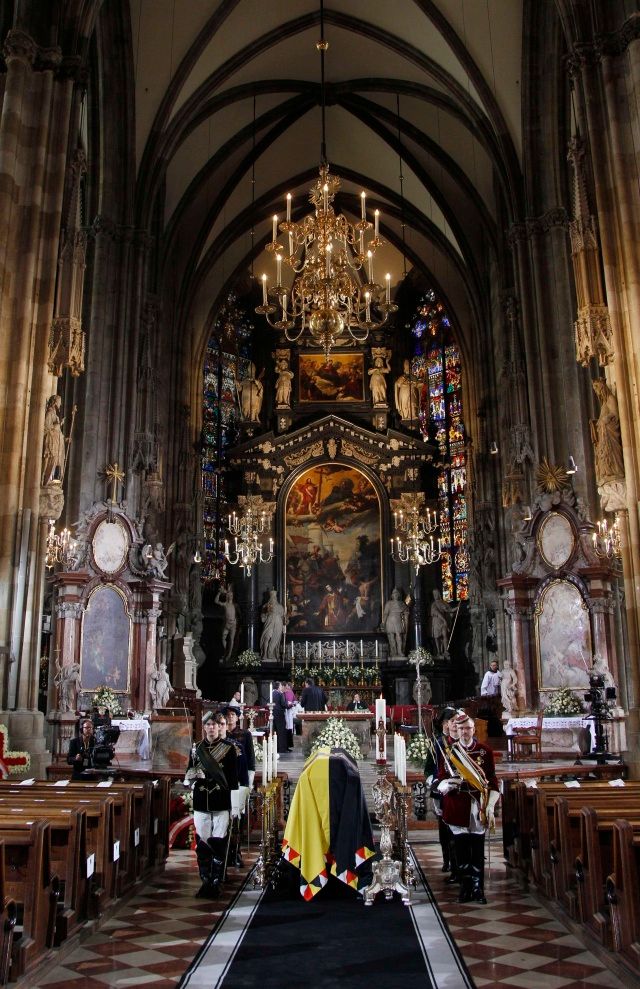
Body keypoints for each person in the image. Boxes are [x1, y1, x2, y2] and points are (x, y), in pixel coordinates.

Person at [435, 712, 500, 903]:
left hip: (477, 806)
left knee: (477, 849)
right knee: (461, 849)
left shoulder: (484, 751)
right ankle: (465, 887)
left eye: (468, 728)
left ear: (474, 729)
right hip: (457, 805)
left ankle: (478, 888)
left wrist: (490, 804)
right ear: (457, 729)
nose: (465, 731)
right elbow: (440, 778)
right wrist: (447, 784)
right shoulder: (450, 753)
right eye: (462, 728)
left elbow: (492, 779)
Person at [184, 714, 239, 898]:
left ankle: (217, 880)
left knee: (219, 840)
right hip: (201, 799)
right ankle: (205, 880)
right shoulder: (196, 749)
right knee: (203, 841)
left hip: (221, 799)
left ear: (219, 727)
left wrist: (235, 805)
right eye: (208, 724)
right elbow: (188, 775)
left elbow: (232, 779)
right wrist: (192, 776)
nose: (211, 728)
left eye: (214, 724)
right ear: (204, 727)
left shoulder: (228, 749)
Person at [425, 706, 457, 873]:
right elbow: (429, 768)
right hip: (441, 787)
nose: (450, 725)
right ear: (443, 723)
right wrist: (433, 780)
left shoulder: (459, 741)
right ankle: (447, 859)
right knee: (444, 826)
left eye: (453, 721)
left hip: (457, 788)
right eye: (448, 721)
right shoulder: (435, 742)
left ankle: (456, 861)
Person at [41, 394, 67, 484]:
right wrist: (59, 424)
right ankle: (46, 481)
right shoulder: (50, 412)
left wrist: (64, 438)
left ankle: (52, 481)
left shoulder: (54, 414)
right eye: (59, 402)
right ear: (55, 402)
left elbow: (57, 430)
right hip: (52, 441)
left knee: (57, 461)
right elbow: (47, 427)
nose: (60, 404)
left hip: (57, 441)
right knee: (51, 459)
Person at [382, 588, 409, 658]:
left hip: (398, 620)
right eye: (394, 594)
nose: (395, 595)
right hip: (390, 620)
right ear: (392, 595)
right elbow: (385, 614)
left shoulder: (402, 603)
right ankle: (393, 652)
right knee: (391, 637)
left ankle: (400, 651)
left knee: (399, 636)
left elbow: (406, 612)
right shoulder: (389, 603)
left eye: (397, 594)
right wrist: (383, 623)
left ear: (399, 595)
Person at [260, 589, 285, 661]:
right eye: (272, 596)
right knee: (267, 637)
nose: (273, 598)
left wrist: (284, 622)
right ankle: (265, 654)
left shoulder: (280, 606)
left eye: (274, 596)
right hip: (269, 623)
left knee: (275, 639)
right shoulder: (265, 606)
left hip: (278, 624)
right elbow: (263, 619)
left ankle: (271, 654)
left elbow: (283, 618)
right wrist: (266, 613)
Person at [215, 584, 238, 660]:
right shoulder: (225, 604)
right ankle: (226, 651)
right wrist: (219, 593)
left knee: (231, 639)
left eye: (231, 595)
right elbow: (216, 601)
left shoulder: (235, 605)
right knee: (223, 638)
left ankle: (229, 655)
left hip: (233, 624)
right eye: (228, 595)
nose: (230, 597)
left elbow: (239, 614)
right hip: (226, 624)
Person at [430, 589, 451, 656]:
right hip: (436, 621)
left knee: (445, 635)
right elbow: (436, 612)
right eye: (434, 594)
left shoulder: (444, 603)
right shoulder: (433, 604)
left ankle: (446, 650)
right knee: (437, 637)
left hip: (443, 622)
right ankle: (438, 651)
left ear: (439, 594)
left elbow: (449, 610)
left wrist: (457, 608)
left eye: (436, 594)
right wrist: (444, 620)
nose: (435, 596)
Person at [271, 680, 289, 754]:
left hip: (273, 714)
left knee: (275, 732)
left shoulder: (271, 693)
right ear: (278, 687)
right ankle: (282, 749)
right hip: (280, 714)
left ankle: (276, 748)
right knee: (281, 732)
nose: (282, 687)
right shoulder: (280, 694)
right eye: (281, 686)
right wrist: (288, 704)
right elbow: (284, 704)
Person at [283, 681, 297, 750]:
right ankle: (288, 744)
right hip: (287, 711)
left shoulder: (288, 692)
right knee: (288, 727)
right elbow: (294, 701)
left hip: (288, 711)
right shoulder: (287, 692)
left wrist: (291, 704)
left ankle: (288, 744)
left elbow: (294, 701)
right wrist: (292, 704)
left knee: (288, 727)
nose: (287, 687)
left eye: (287, 686)